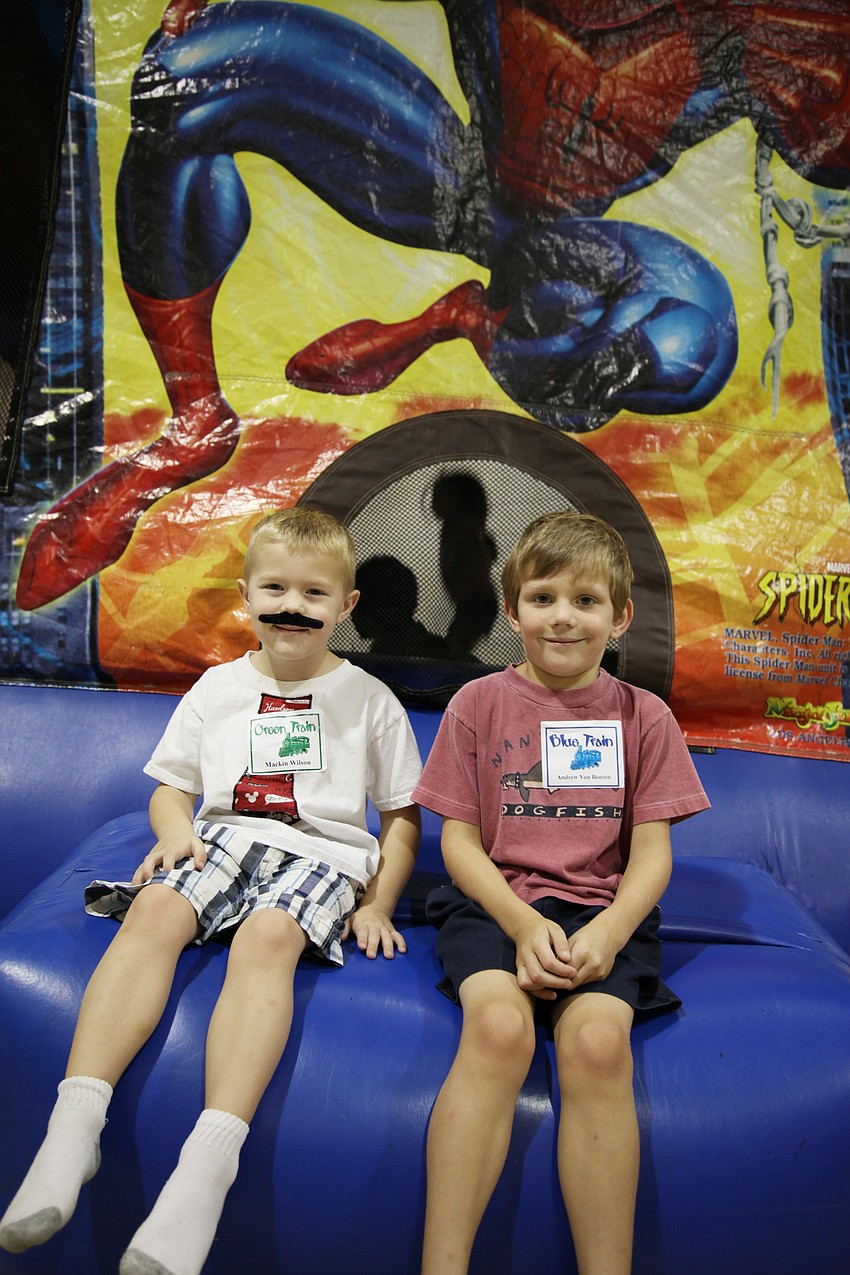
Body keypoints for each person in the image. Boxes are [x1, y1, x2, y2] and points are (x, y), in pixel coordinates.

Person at [0, 507, 422, 1275]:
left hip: (321, 854)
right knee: (156, 905)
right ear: (246, 593)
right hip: (221, 837)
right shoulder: (219, 686)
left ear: (346, 605)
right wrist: (173, 832)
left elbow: (401, 816)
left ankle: (208, 1160)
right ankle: (75, 1121)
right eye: (275, 588)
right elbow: (172, 787)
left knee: (269, 935)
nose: (293, 606)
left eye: (314, 593)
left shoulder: (368, 699)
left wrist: (379, 901)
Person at [413, 510, 709, 1275]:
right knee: (499, 1029)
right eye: (543, 598)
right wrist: (517, 922)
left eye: (585, 600)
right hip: (495, 903)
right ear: (513, 611)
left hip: (599, 912)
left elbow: (652, 855)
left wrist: (609, 931)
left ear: (620, 617)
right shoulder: (477, 704)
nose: (563, 617)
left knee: (598, 1043)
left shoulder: (645, 716)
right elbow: (458, 842)